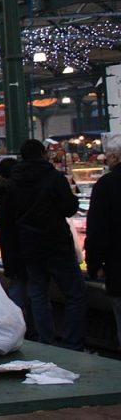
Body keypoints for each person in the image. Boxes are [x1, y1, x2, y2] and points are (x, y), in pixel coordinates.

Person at [11, 139, 86, 351]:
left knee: (38, 294)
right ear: (43, 154)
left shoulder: (14, 180)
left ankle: (47, 342)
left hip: (29, 245)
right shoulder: (54, 177)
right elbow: (69, 208)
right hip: (56, 244)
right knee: (75, 293)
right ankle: (72, 344)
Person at [86, 134, 121, 347]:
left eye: (108, 156)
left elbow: (98, 229)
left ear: (116, 157)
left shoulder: (106, 184)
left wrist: (95, 263)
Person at [0, 158, 27, 308]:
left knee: (17, 284)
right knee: (22, 287)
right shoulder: (13, 193)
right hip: (19, 246)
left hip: (9, 246)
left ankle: (17, 320)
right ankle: (21, 323)